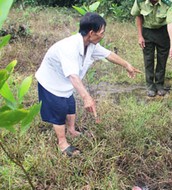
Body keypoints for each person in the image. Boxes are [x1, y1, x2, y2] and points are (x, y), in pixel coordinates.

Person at [35, 12, 141, 156]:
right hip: (51, 83)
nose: (103, 35)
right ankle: (62, 143)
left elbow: (108, 54)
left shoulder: (90, 44)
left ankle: (72, 130)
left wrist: (126, 64)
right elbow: (73, 76)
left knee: (70, 106)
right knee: (58, 111)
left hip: (65, 83)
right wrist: (86, 97)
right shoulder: (69, 47)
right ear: (91, 33)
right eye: (101, 32)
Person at [130, 0, 172, 97]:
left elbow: (170, 23)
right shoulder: (140, 1)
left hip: (163, 32)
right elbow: (138, 16)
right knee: (148, 59)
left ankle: (159, 84)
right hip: (147, 31)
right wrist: (140, 36)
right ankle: (150, 85)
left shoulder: (168, 2)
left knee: (162, 59)